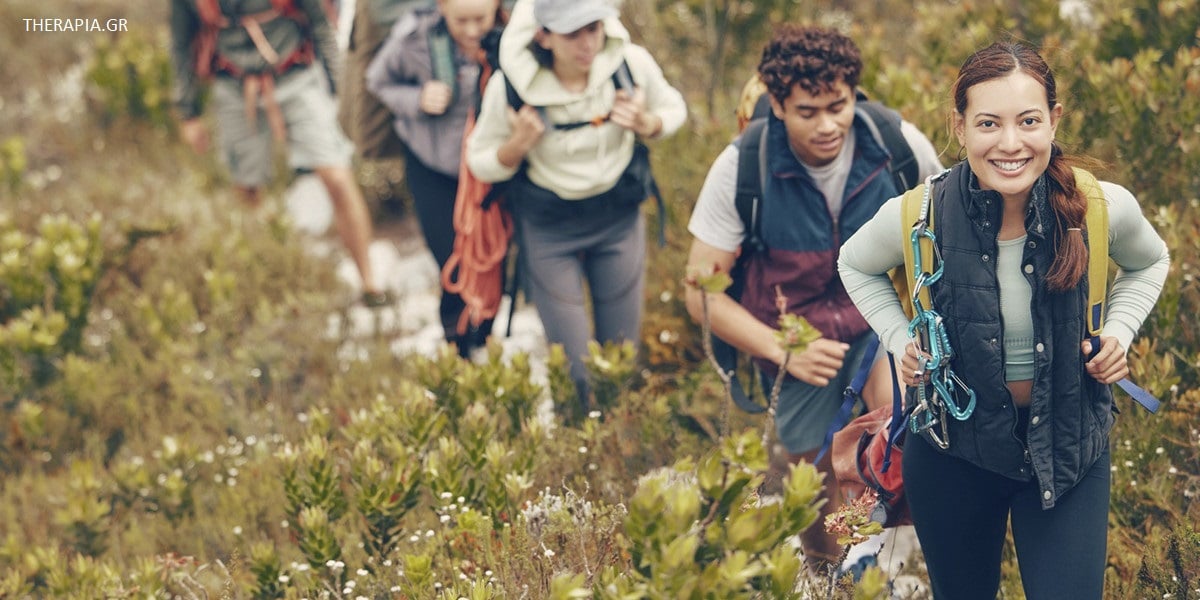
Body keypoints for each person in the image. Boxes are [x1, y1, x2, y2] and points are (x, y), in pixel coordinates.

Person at [838, 41, 1170, 599]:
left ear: (1054, 120)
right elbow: (853, 263)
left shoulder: (1099, 207)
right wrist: (900, 339)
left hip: (1069, 449)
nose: (1010, 143)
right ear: (960, 126)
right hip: (951, 452)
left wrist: (1118, 330)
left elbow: (1151, 260)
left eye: (1029, 121)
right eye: (989, 122)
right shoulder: (920, 212)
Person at [682, 25, 943, 572]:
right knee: (811, 486)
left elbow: (954, 227)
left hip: (877, 319)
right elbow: (699, 292)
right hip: (794, 337)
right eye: (807, 111)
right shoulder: (742, 167)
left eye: (838, 105)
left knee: (893, 426)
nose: (827, 125)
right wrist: (782, 348)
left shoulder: (897, 145)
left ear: (854, 94)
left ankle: (880, 553)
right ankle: (832, 573)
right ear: (776, 104)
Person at [464, 0, 687, 409]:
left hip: (617, 219)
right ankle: (579, 452)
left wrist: (646, 123)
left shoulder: (628, 63)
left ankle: (620, 447)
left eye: (594, 28)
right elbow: (479, 159)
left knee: (620, 357)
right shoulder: (511, 84)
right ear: (543, 36)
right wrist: (515, 147)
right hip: (550, 229)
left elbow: (674, 109)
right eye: (572, 33)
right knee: (573, 369)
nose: (588, 44)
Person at [169, 0, 388, 305]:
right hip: (233, 86)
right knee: (247, 190)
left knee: (337, 176)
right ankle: (262, 285)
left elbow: (321, 25)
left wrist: (341, 94)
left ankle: (370, 284)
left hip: (297, 77)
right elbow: (180, 44)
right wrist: (188, 113)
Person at [365, 0, 506, 356]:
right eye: (462, 21)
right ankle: (456, 345)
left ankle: (484, 335)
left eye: (480, 19)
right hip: (434, 165)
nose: (473, 30)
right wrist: (417, 98)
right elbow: (378, 80)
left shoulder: (514, 36)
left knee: (491, 257)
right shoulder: (414, 37)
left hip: (492, 169)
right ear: (442, 8)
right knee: (452, 258)